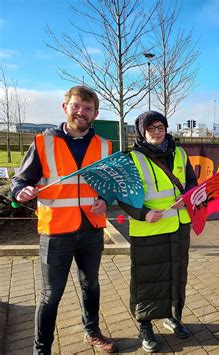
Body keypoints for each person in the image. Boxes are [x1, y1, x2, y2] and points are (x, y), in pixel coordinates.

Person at [11, 86, 118, 353]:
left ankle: (92, 332)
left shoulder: (105, 146)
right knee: (50, 295)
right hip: (56, 230)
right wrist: (20, 191)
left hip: (92, 229)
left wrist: (106, 199)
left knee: (90, 284)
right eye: (76, 106)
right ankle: (42, 349)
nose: (81, 112)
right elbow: (21, 180)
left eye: (88, 108)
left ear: (95, 113)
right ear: (65, 107)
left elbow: (111, 186)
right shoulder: (43, 143)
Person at [117, 111, 197, 353]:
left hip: (178, 226)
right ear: (142, 131)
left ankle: (172, 316)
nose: (156, 132)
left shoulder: (180, 153)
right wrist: (144, 214)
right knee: (146, 279)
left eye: (160, 127)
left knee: (176, 274)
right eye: (151, 128)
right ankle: (144, 324)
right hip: (148, 228)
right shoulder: (131, 158)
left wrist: (187, 197)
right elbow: (123, 195)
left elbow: (192, 181)